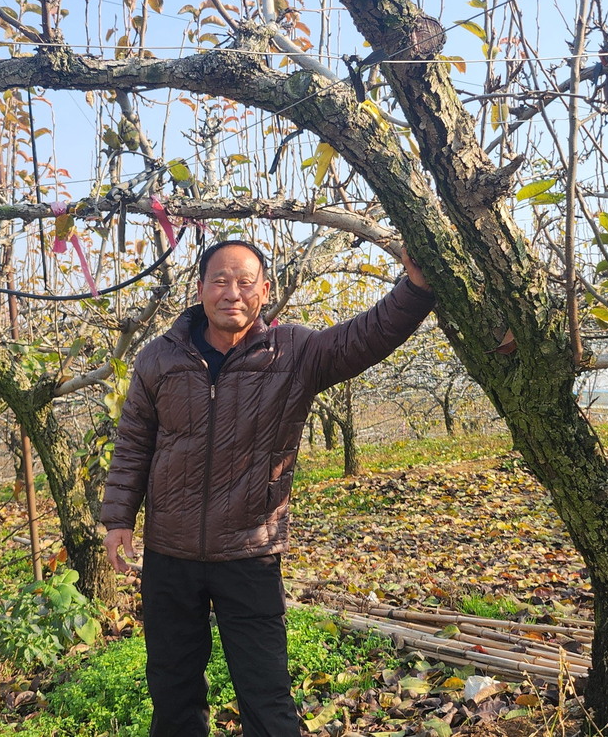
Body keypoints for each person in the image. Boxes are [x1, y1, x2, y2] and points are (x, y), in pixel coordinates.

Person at [101, 239, 435, 736]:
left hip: (249, 552)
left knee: (266, 695)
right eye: (220, 279)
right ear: (199, 288)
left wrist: (417, 288)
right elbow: (133, 443)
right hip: (170, 555)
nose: (231, 292)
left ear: (264, 291)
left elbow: (367, 336)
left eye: (244, 281)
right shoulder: (157, 359)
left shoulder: (293, 353)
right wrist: (118, 518)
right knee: (172, 693)